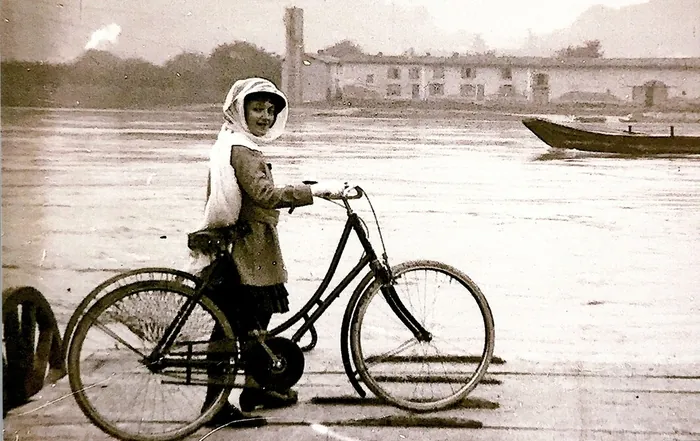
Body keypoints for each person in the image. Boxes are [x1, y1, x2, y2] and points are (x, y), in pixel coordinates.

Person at [196, 77, 346, 428]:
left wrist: (305, 188)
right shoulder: (242, 150)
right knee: (232, 328)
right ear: (240, 110)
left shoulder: (239, 143)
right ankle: (213, 406)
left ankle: (257, 387)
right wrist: (316, 192)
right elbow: (264, 195)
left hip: (254, 245)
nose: (264, 116)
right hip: (242, 250)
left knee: (256, 320)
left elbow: (258, 192)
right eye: (257, 109)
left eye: (269, 110)